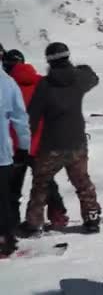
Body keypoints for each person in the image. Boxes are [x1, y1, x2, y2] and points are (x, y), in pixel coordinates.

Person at [19, 42, 102, 237]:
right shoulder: (78, 79)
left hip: (51, 145)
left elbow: (31, 116)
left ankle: (33, 223)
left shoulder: (45, 85)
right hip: (77, 142)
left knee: (41, 184)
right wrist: (77, 68)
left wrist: (25, 144)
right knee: (82, 182)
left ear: (48, 60)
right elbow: (93, 76)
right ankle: (91, 219)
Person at [2, 50, 68, 229]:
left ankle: (11, 225)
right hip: (42, 143)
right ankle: (58, 216)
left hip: (14, 146)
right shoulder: (43, 82)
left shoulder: (5, 85)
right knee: (47, 182)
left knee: (11, 189)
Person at [0, 58, 30, 257]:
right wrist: (23, 147)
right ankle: (5, 239)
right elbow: (20, 118)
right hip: (2, 156)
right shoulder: (7, 83)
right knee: (3, 200)